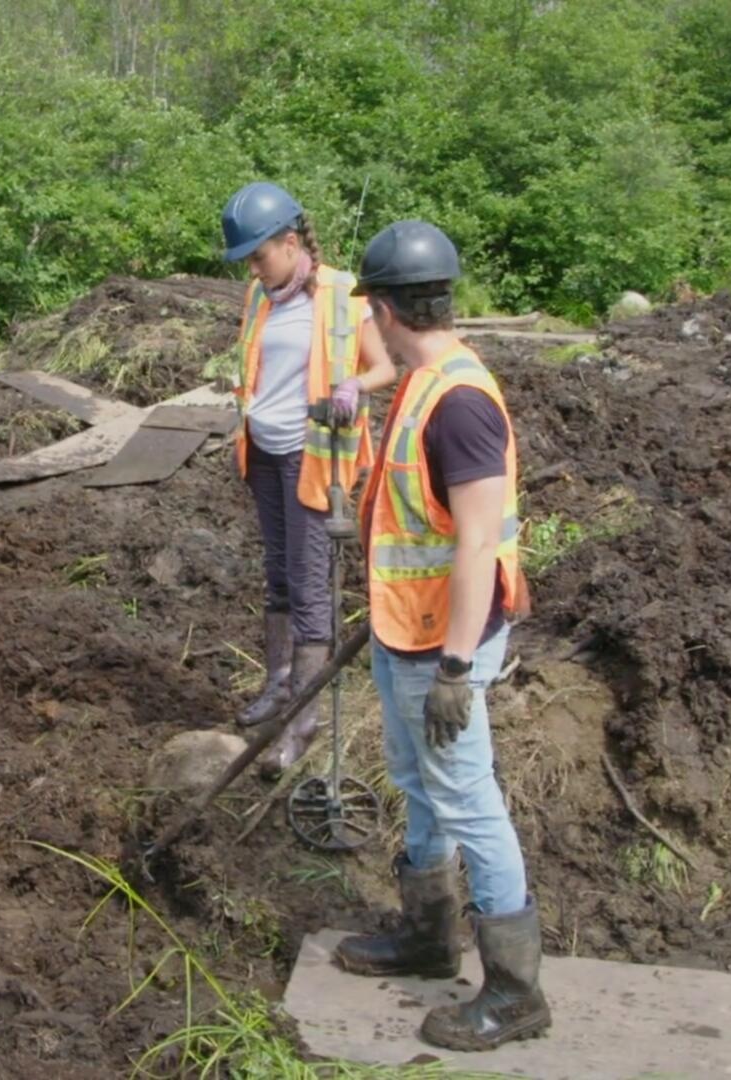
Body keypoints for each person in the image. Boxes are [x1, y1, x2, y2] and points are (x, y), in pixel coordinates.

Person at [331, 220, 550, 1051]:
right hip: (404, 629)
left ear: (386, 309)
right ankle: (428, 938)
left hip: (443, 645)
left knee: (469, 800)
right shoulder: (420, 384)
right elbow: (413, 518)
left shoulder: (458, 401)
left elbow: (475, 543)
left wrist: (458, 665)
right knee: (416, 780)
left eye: (369, 313)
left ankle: (516, 992)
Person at [218, 182, 396, 775]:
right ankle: (278, 684)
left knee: (311, 585)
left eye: (259, 254)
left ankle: (303, 721)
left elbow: (384, 367)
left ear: (291, 243)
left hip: (311, 456)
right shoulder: (261, 295)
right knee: (278, 576)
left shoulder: (345, 295)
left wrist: (354, 387)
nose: (253, 265)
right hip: (263, 452)